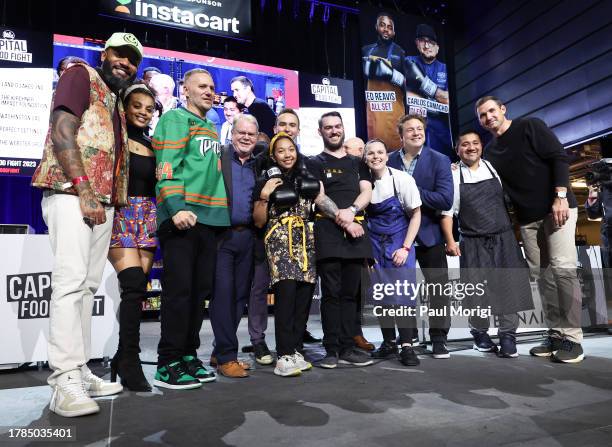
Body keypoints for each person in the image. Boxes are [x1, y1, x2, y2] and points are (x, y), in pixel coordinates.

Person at [31, 32, 143, 417]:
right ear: (104, 52)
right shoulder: (80, 74)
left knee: (86, 287)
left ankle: (78, 368)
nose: (125, 63)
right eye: (120, 55)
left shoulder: (113, 98)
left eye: (132, 59)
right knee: (69, 283)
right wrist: (83, 188)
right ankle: (63, 381)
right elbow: (62, 127)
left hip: (101, 202)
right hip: (71, 193)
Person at [476, 96, 584, 363]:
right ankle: (556, 334)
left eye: (492, 111)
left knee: (562, 270)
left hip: (556, 209)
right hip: (527, 219)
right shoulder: (490, 152)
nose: (488, 117)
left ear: (502, 110)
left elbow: (558, 158)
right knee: (543, 277)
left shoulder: (529, 126)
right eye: (482, 115)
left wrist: (560, 196)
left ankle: (573, 339)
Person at [153, 68, 230, 390]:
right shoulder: (175, 120)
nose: (209, 91)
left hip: (210, 221)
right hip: (183, 217)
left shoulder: (210, 127)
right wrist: (176, 207)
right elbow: (166, 166)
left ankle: (187, 356)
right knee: (179, 293)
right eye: (202, 86)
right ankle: (167, 362)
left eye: (212, 87)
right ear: (185, 90)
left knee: (198, 296)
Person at [440, 131, 534, 358]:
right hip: (472, 241)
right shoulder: (452, 176)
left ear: (481, 146)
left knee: (508, 288)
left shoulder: (494, 168)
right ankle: (480, 335)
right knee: (476, 292)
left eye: (475, 143)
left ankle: (508, 336)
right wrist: (450, 241)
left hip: (503, 237)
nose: (470, 148)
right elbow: (447, 215)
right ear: (458, 150)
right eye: (465, 145)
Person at [306, 112, 374, 369]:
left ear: (343, 129)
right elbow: (319, 197)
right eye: (328, 128)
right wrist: (345, 220)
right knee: (331, 294)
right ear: (320, 132)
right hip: (329, 232)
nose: (334, 131)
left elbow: (366, 190)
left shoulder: (358, 162)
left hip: (356, 232)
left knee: (350, 294)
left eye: (337, 126)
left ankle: (348, 347)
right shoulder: (314, 162)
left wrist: (353, 212)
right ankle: (331, 349)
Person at [253, 131, 319, 376]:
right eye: (280, 150)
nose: (287, 154)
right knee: (286, 296)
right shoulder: (267, 180)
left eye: (290, 149)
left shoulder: (307, 177)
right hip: (280, 241)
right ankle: (283, 355)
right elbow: (258, 222)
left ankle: (295, 350)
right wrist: (264, 195)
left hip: (307, 241)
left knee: (304, 297)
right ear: (273, 155)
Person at [387, 114, 453, 358]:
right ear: (401, 135)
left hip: (429, 235)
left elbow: (445, 199)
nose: (416, 133)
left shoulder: (440, 160)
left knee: (437, 289)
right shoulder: (389, 159)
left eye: (419, 129)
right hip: (396, 236)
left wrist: (411, 190)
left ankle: (439, 338)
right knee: (401, 290)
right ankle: (408, 336)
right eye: (410, 130)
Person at [106, 84, 157, 392]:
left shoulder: (154, 145)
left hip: (148, 217)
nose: (142, 111)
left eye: (149, 108)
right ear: (125, 107)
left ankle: (122, 357)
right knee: (133, 284)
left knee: (137, 294)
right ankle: (131, 359)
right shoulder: (115, 140)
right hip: (122, 213)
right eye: (137, 105)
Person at [209, 114, 261, 378]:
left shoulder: (258, 166)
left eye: (251, 135)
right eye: (241, 132)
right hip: (222, 237)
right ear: (232, 133)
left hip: (248, 238)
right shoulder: (218, 157)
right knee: (223, 295)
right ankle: (228, 356)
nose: (245, 138)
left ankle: (220, 351)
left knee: (239, 298)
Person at [365, 139, 422, 366]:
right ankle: (388, 343)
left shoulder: (402, 180)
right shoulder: (364, 182)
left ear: (387, 156)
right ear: (365, 157)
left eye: (380, 152)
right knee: (382, 297)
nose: (376, 156)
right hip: (375, 246)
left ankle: (407, 346)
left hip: (399, 244)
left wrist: (406, 247)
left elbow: (416, 215)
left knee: (403, 298)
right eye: (371, 153)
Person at [404, 24, 452, 158]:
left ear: (437, 46)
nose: (426, 45)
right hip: (414, 128)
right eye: (422, 41)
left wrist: (423, 85)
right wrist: (438, 98)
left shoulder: (445, 69)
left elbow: (449, 100)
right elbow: (401, 94)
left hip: (441, 131)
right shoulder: (408, 62)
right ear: (416, 43)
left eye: (430, 41)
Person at [361, 12, 406, 150]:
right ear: (376, 27)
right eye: (382, 25)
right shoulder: (365, 50)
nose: (386, 29)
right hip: (372, 111)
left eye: (390, 27)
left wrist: (391, 74)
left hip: (393, 114)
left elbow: (408, 85)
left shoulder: (400, 52)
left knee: (395, 151)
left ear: (394, 32)